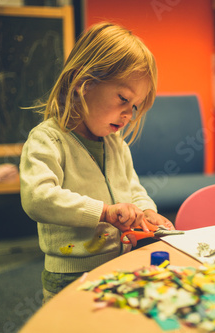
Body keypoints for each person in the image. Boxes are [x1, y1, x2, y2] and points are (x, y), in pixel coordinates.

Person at [19, 22, 174, 303]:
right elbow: (37, 198)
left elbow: (133, 189)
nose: (129, 113)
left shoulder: (117, 144)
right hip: (68, 274)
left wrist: (147, 211)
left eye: (135, 106)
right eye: (123, 98)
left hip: (119, 263)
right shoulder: (47, 140)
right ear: (83, 83)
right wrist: (103, 212)